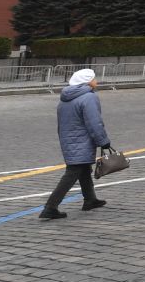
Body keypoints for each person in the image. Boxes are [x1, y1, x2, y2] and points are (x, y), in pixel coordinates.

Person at [40, 68, 112, 219]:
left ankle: (90, 199)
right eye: (94, 78)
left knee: (84, 169)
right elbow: (94, 122)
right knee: (72, 173)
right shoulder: (89, 97)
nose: (96, 80)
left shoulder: (65, 98)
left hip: (69, 140)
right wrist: (103, 141)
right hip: (82, 140)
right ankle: (50, 207)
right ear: (87, 81)